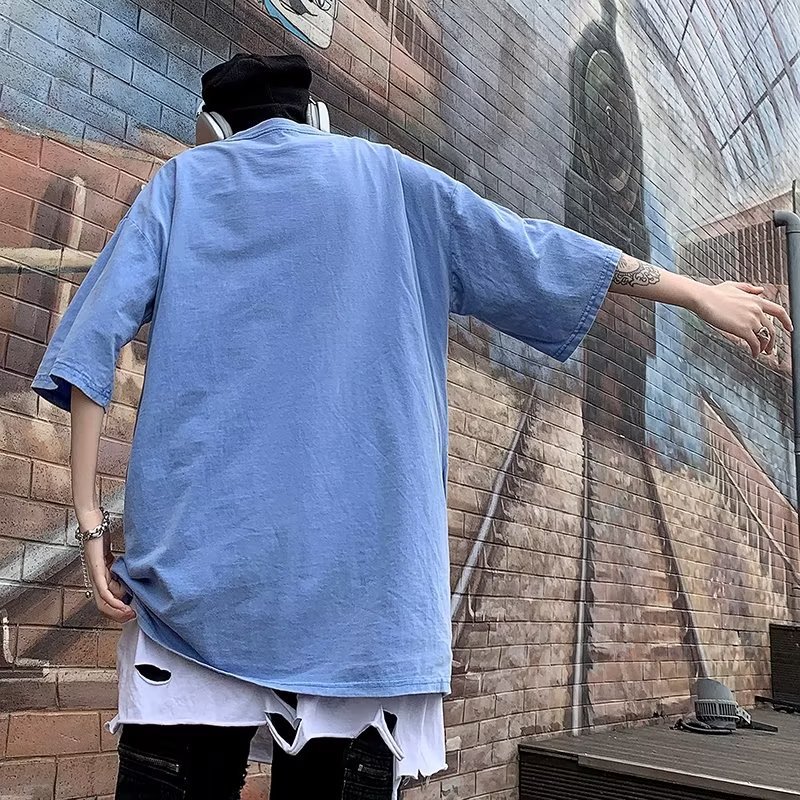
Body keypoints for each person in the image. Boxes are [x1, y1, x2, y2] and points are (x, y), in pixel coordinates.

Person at [32, 52, 791, 800]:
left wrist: (93, 527)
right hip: (365, 602)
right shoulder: (396, 181)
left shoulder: (181, 184)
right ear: (316, 118)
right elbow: (539, 250)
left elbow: (87, 349)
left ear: (213, 128)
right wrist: (692, 292)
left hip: (197, 586)